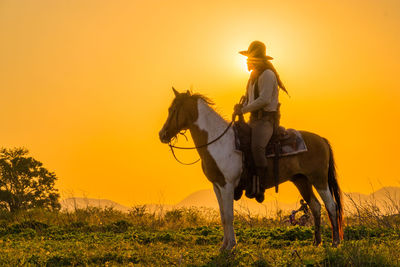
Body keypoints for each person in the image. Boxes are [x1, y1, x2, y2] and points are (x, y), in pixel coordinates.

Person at [233, 41, 288, 202]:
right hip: (253, 120)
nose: (247, 61)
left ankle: (261, 185)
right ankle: (243, 182)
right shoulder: (252, 76)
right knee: (238, 142)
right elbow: (248, 98)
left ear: (256, 59)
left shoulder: (268, 75)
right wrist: (240, 107)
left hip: (266, 120)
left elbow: (264, 99)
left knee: (257, 147)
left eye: (249, 58)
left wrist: (244, 109)